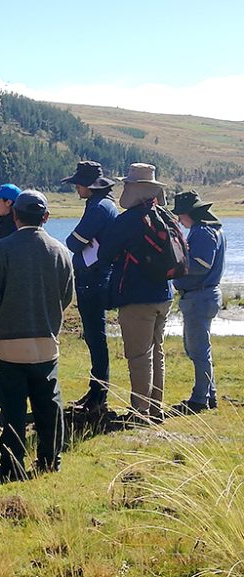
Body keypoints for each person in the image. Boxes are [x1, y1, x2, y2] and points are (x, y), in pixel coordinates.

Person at [0, 191, 74, 481]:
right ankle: (49, 461)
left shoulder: (3, 249)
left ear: (15, 216)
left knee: (13, 407)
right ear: (45, 217)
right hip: (46, 340)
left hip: (9, 342)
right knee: (49, 405)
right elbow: (66, 297)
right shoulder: (60, 251)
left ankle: (12, 465)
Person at [98, 163, 173, 422]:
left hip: (136, 296)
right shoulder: (165, 216)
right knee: (156, 351)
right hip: (165, 294)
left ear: (133, 189)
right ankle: (156, 408)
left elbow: (104, 254)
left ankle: (140, 412)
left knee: (139, 356)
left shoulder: (127, 220)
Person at [61, 161, 119, 414]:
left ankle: (98, 396)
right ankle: (96, 392)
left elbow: (74, 242)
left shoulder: (98, 208)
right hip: (94, 278)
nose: (76, 187)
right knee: (95, 337)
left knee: (96, 338)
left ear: (89, 186)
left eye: (78, 183)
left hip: (93, 279)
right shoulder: (102, 205)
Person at [170, 191, 226, 414]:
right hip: (204, 296)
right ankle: (208, 395)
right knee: (199, 348)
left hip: (199, 296)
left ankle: (199, 399)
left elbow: (201, 265)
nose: (180, 221)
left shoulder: (202, 232)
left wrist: (176, 266)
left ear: (188, 214)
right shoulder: (211, 229)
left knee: (198, 350)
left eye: (181, 216)